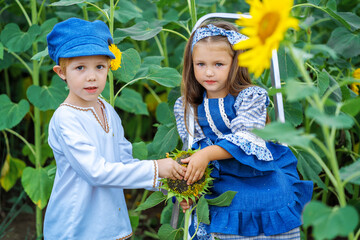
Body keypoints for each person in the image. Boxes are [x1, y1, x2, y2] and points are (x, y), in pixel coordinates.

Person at [44, 17, 185, 240]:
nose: (92, 76)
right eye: (80, 67)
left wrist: (171, 183)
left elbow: (124, 163)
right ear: (61, 72)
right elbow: (96, 172)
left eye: (99, 67)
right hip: (77, 226)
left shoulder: (106, 108)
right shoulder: (66, 118)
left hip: (111, 223)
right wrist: (157, 168)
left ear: (109, 67)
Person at [174, 21, 313, 240]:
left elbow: (247, 136)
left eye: (219, 64)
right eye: (200, 64)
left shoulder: (250, 96)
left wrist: (206, 154)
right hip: (216, 177)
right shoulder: (187, 105)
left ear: (235, 63)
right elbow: (194, 149)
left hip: (256, 172)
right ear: (191, 65)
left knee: (276, 194)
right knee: (209, 206)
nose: (208, 72)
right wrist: (190, 187)